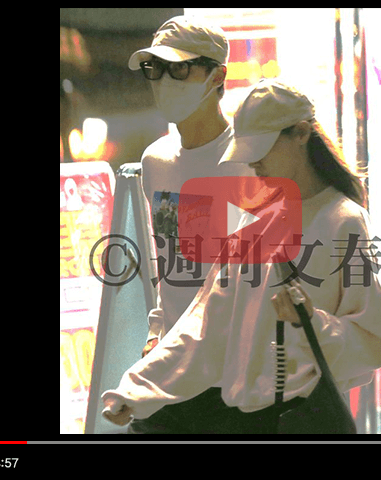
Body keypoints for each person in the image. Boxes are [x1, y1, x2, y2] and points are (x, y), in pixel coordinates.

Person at [102, 79, 381, 434]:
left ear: (301, 134)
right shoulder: (255, 220)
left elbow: (372, 340)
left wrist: (309, 321)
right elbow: (205, 325)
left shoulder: (344, 220)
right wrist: (136, 389)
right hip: (239, 418)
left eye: (262, 148)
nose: (254, 162)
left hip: (293, 419)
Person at [123, 15, 255, 434]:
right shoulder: (155, 161)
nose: (164, 81)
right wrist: (156, 332)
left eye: (179, 68)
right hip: (170, 371)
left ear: (218, 76)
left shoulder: (251, 161)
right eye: (154, 68)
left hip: (233, 380)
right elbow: (170, 263)